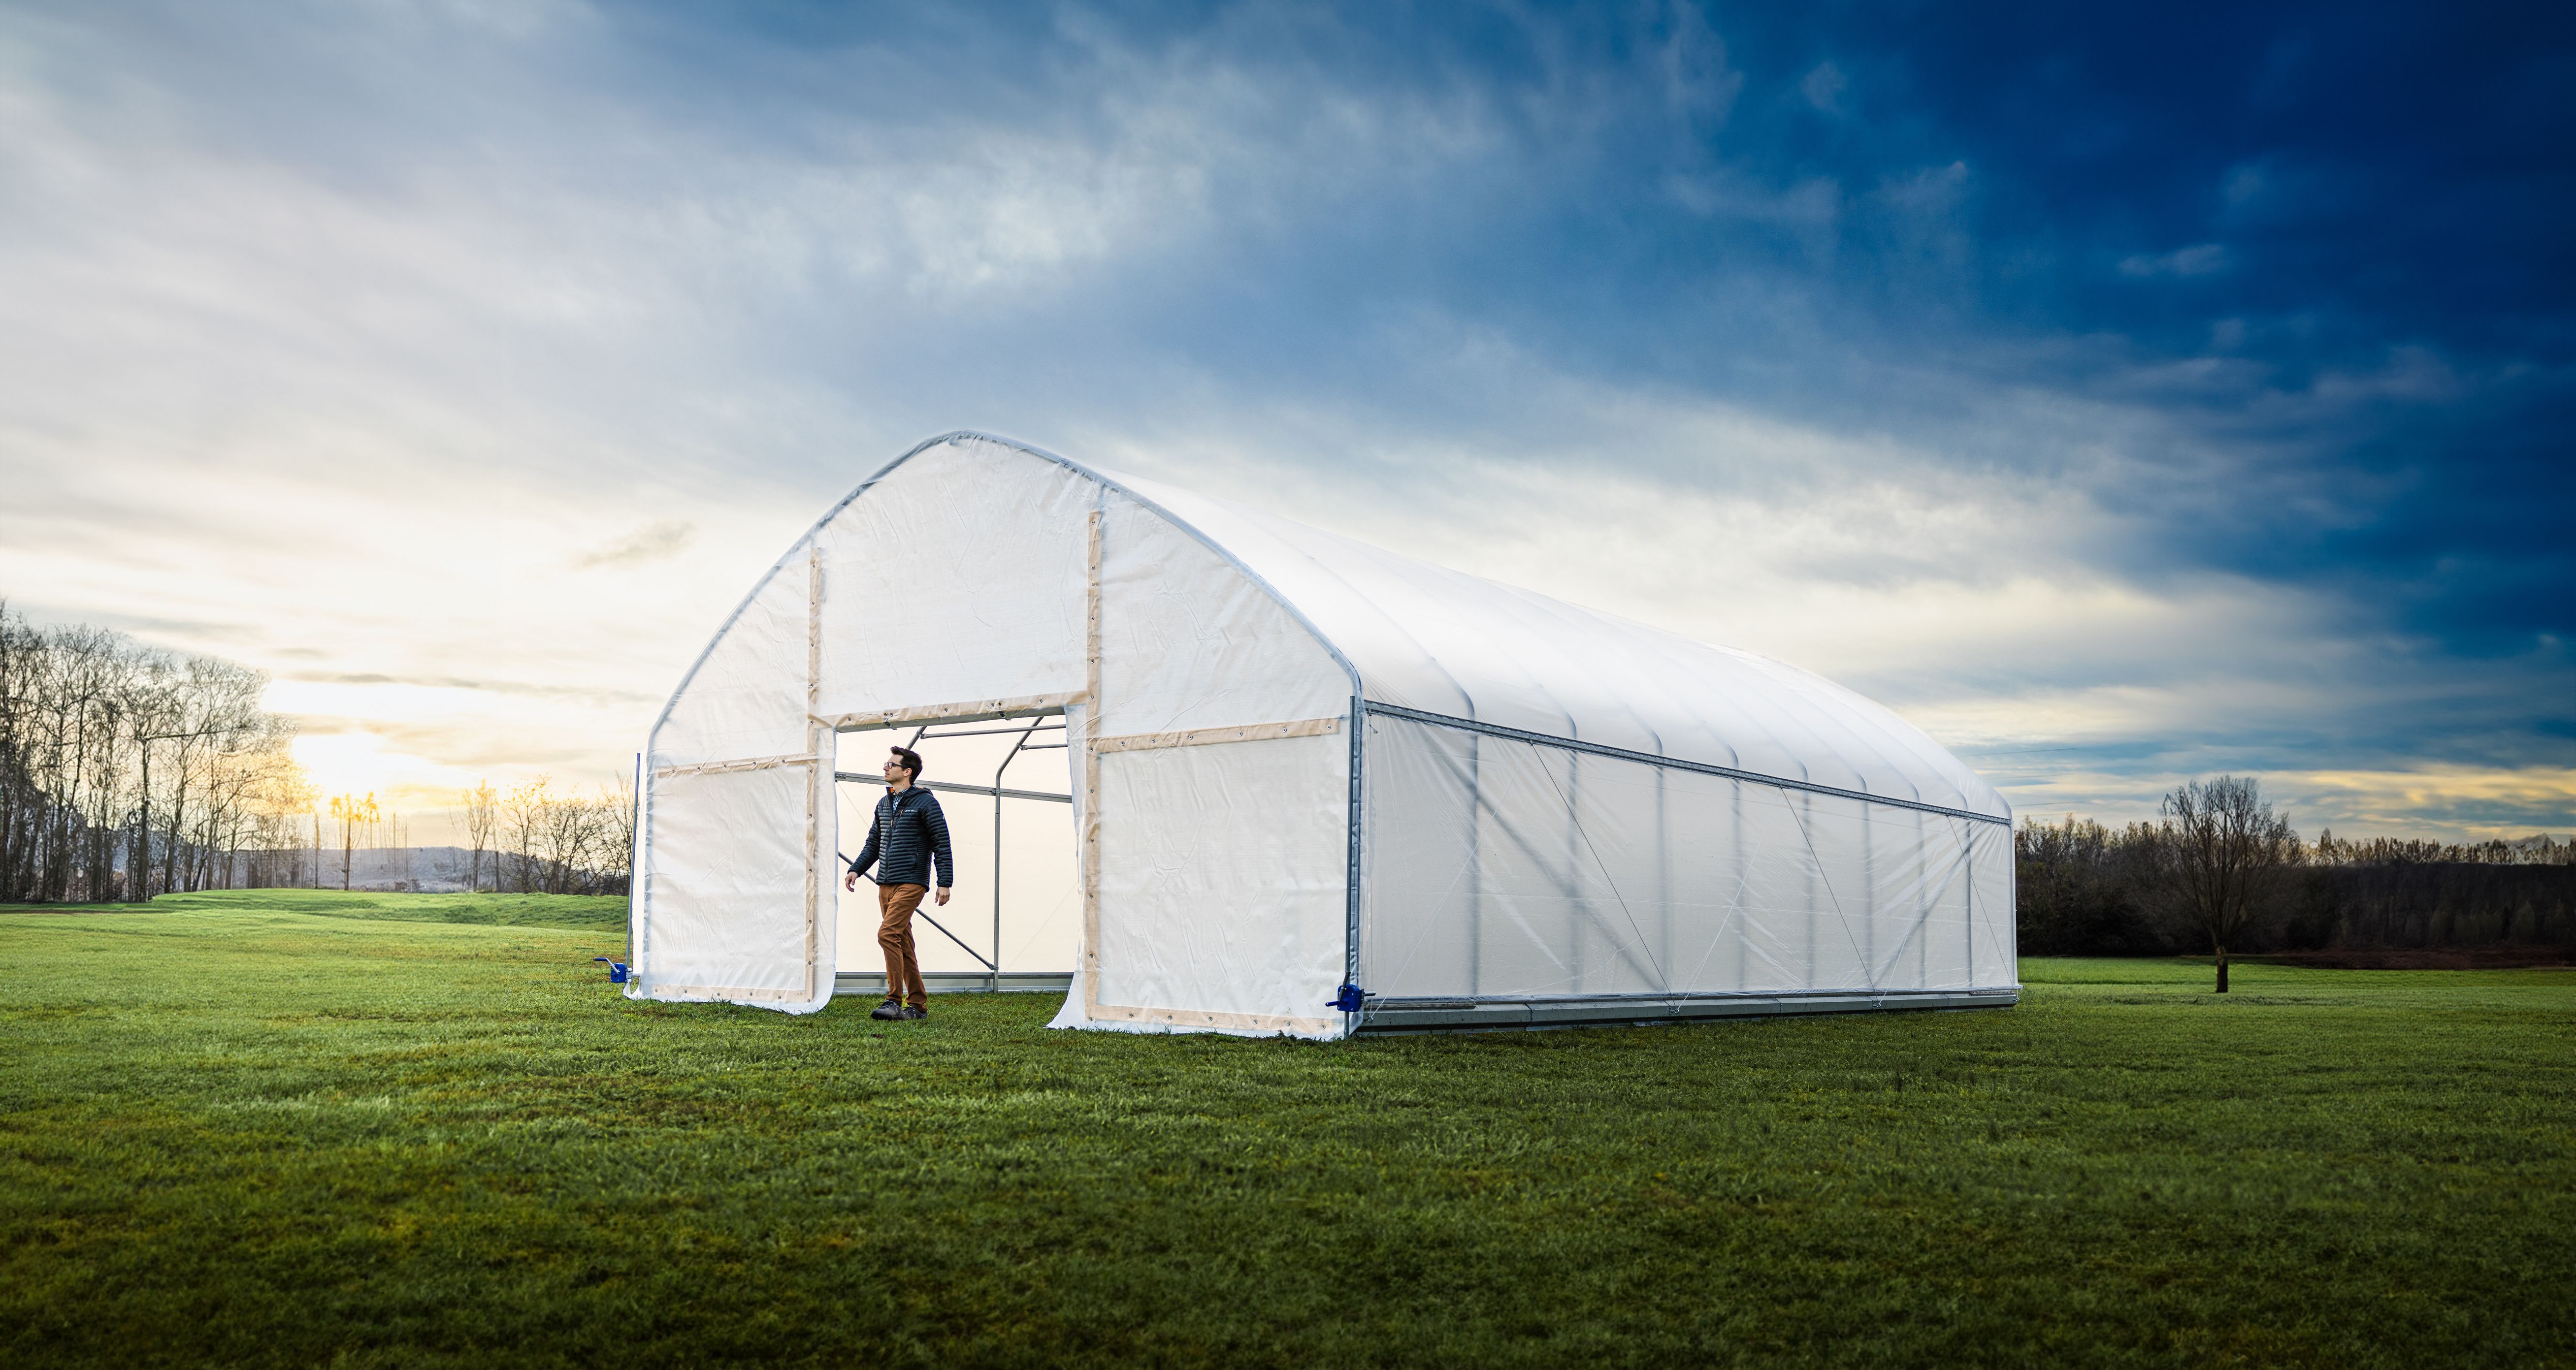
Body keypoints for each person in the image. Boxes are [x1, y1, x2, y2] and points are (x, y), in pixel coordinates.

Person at [844, 745, 953, 1020]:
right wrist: (857, 868)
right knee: (902, 942)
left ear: (907, 772)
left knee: (887, 934)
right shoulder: (884, 803)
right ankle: (917, 1006)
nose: (885, 767)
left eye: (891, 765)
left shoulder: (926, 803)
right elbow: (874, 842)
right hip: (886, 882)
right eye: (886, 764)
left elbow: (942, 843)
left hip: (912, 881)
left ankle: (893, 1000)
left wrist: (945, 881)